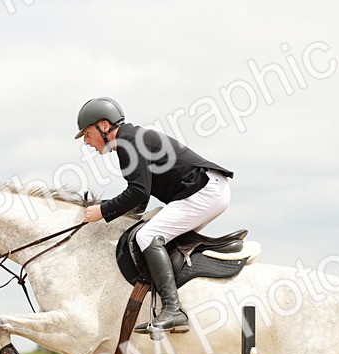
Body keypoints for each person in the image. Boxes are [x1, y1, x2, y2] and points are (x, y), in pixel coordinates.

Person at [75, 97, 234, 333]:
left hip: (204, 192)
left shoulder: (129, 142)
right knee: (151, 233)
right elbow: (140, 201)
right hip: (206, 190)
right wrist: (106, 207)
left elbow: (138, 193)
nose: (87, 142)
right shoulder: (129, 140)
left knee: (148, 237)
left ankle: (173, 310)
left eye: (87, 134)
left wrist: (103, 211)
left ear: (104, 126)